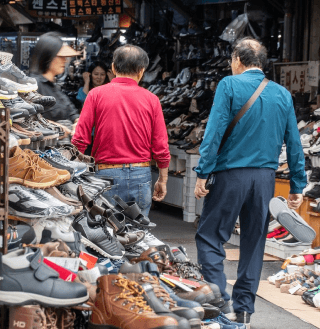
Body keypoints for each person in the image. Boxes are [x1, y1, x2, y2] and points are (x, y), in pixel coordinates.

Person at [194, 38, 306, 327]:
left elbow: (214, 132)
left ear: (237, 60)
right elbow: (294, 143)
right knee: (253, 243)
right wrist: (296, 185)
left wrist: (202, 173)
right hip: (265, 179)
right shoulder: (282, 94)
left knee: (210, 237)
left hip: (231, 175)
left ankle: (220, 307)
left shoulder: (228, 86)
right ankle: (242, 313)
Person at [72, 44, 170, 216]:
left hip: (106, 173)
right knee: (138, 235)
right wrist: (163, 179)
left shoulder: (96, 95)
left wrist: (72, 173)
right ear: (141, 70)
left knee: (106, 234)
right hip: (141, 174)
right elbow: (160, 145)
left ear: (113, 67)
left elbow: (80, 139)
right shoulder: (151, 99)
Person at [30, 32, 80, 135]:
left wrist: (77, 122)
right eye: (60, 57)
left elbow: (72, 112)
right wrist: (56, 127)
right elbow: (28, 120)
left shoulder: (54, 86)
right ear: (49, 57)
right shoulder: (34, 85)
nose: (65, 61)